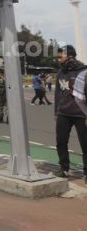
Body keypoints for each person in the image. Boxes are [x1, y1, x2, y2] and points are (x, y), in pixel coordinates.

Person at [53, 45, 87, 182]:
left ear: (70, 56)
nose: (58, 59)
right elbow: (57, 94)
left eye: (61, 56)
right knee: (60, 142)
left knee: (85, 145)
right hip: (63, 114)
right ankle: (64, 168)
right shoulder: (61, 72)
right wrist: (56, 111)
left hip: (81, 114)